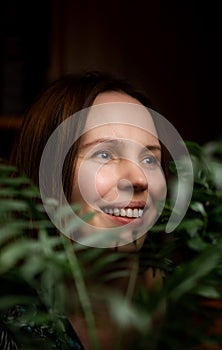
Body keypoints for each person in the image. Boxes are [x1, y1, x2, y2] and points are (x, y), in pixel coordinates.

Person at [6, 71, 170, 349]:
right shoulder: (9, 315)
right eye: (104, 154)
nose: (140, 179)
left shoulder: (188, 296)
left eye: (148, 158)